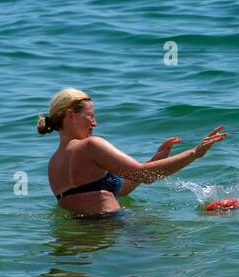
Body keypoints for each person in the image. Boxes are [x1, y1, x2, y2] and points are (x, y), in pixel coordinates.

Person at [36, 88, 227, 216]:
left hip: (78, 234)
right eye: (91, 116)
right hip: (112, 225)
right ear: (70, 115)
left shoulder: (54, 163)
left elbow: (118, 190)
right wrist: (195, 153)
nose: (95, 123)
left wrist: (156, 159)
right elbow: (144, 175)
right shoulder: (90, 145)